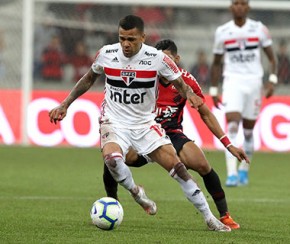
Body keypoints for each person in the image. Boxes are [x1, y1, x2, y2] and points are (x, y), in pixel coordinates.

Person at [48, 15, 243, 231]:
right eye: (122, 38)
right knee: (111, 160)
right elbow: (88, 79)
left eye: (131, 39)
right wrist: (65, 104)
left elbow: (180, 82)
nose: (126, 44)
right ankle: (136, 193)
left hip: (145, 125)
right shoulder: (106, 53)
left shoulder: (157, 58)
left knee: (179, 169)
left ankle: (211, 218)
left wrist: (191, 95)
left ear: (143, 37)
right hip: (114, 121)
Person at [103, 39, 250, 230]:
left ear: (177, 59)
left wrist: (228, 145)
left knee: (202, 164)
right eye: (161, 59)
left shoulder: (186, 81)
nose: (164, 63)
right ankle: (112, 204)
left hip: (171, 133)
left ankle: (224, 215)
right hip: (141, 131)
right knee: (114, 158)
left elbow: (205, 114)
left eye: (168, 59)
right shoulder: (145, 76)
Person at [209, 0, 277, 187]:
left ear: (248, 7)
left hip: (254, 83)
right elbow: (216, 62)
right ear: (231, 7)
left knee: (248, 131)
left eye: (243, 3)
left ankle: (244, 171)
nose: (239, 6)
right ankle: (231, 174)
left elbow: (272, 58)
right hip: (232, 82)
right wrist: (214, 89)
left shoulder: (259, 29)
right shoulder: (222, 31)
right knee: (232, 124)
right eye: (236, 3)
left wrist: (272, 80)